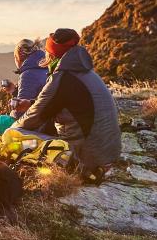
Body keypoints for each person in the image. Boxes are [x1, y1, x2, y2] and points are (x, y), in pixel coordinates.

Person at [10, 28, 121, 177]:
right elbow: (61, 103)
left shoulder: (62, 77)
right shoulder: (84, 72)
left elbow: (32, 119)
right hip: (106, 155)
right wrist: (30, 103)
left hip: (84, 160)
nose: (45, 55)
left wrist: (9, 130)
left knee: (14, 134)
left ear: (54, 53)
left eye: (48, 51)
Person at [0, 39, 49, 146]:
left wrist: (13, 107)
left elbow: (19, 113)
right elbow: (33, 98)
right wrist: (14, 91)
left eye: (15, 57)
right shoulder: (45, 69)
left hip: (29, 124)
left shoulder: (28, 74)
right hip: (42, 122)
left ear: (20, 56)